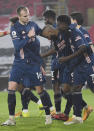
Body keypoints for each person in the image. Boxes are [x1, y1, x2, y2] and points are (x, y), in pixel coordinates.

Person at [1, 6, 53, 126]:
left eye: (28, 14)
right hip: (19, 64)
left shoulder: (33, 24)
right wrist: (28, 36)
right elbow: (18, 45)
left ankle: (48, 116)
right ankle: (11, 119)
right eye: (25, 15)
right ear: (19, 16)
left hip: (33, 64)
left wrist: (52, 34)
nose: (28, 17)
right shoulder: (15, 28)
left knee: (40, 90)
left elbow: (42, 33)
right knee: (11, 88)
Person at [43, 10, 68, 120]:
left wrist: (42, 55)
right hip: (59, 61)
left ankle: (59, 112)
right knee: (61, 88)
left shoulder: (53, 29)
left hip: (58, 62)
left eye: (45, 19)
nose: (44, 21)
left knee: (57, 87)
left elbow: (55, 48)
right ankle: (60, 112)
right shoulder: (56, 28)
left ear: (49, 18)